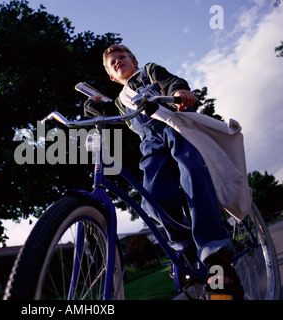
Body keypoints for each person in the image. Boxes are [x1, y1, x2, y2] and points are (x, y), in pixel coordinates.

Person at [84, 44, 244, 299]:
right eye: (112, 63)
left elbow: (170, 81)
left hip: (176, 127)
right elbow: (104, 116)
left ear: (134, 62)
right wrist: (92, 105)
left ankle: (216, 256)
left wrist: (179, 91)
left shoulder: (148, 72)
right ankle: (186, 249)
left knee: (193, 174)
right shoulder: (119, 102)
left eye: (121, 57)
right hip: (151, 145)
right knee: (153, 199)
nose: (117, 62)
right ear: (111, 77)